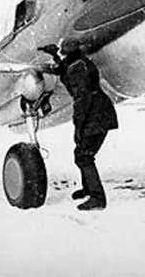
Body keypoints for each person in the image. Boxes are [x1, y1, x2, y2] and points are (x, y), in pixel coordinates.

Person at [57, 39, 118, 211]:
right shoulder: (80, 62)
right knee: (83, 152)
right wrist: (55, 57)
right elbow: (67, 75)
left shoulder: (77, 67)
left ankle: (97, 198)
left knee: (84, 156)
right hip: (99, 111)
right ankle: (88, 189)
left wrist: (79, 126)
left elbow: (81, 98)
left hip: (95, 114)